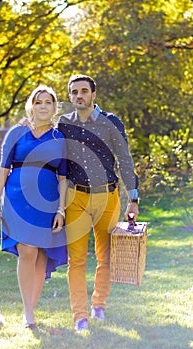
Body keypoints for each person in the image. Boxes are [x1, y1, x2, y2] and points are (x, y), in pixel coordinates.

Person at [57, 74, 139, 332]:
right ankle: (80, 316)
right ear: (70, 97)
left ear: (94, 94)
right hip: (76, 198)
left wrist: (133, 198)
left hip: (108, 197)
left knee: (106, 258)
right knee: (77, 260)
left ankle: (99, 307)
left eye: (84, 91)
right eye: (74, 92)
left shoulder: (111, 122)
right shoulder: (63, 124)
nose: (79, 96)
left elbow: (124, 160)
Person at [0, 85, 68, 330]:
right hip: (17, 199)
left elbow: (64, 178)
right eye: (38, 102)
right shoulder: (16, 132)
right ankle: (28, 313)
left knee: (41, 256)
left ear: (54, 107)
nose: (43, 106)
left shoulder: (59, 138)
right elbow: (2, 170)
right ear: (31, 105)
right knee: (27, 252)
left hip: (47, 201)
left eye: (48, 102)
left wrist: (61, 210)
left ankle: (30, 312)